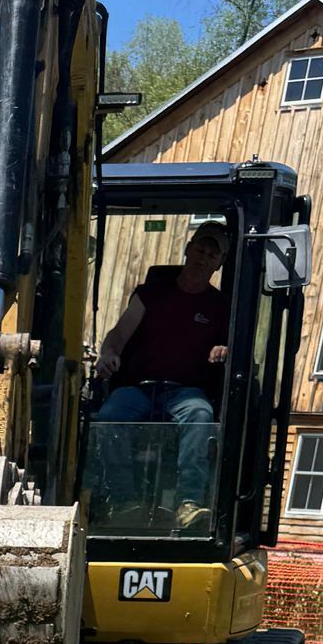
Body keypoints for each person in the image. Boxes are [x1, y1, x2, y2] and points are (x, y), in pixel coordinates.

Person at [93, 223, 231, 527]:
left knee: (200, 414)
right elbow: (118, 334)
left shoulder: (221, 307)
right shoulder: (150, 294)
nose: (203, 258)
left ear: (219, 263)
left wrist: (224, 348)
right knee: (109, 415)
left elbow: (229, 345)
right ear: (188, 248)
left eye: (212, 254)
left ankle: (189, 503)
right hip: (138, 388)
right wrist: (109, 353)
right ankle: (123, 500)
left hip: (185, 392)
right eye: (199, 249)